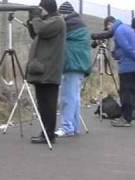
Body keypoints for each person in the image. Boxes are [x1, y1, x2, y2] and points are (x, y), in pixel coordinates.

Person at [26, 0, 66, 144]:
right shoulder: (47, 21)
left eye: (40, 9)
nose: (39, 12)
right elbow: (35, 33)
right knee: (42, 104)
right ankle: (45, 133)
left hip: (49, 72)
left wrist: (35, 17)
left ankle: (49, 134)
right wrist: (32, 18)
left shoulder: (57, 21)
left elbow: (41, 30)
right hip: (42, 71)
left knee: (48, 105)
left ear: (47, 9)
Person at [55, 2, 91, 137]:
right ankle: (74, 127)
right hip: (79, 65)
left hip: (72, 64)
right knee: (75, 98)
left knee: (67, 98)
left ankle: (66, 127)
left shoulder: (68, 25)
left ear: (63, 13)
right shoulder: (79, 23)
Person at [104, 16, 135, 127]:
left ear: (110, 24)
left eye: (107, 28)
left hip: (127, 67)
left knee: (126, 93)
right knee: (132, 92)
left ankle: (126, 119)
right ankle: (128, 116)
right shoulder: (128, 29)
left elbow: (126, 48)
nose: (108, 31)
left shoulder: (119, 31)